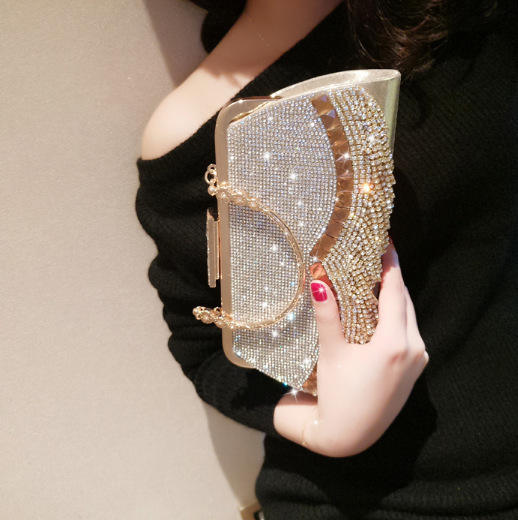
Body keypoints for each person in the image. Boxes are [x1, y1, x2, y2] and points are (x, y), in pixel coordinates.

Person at [135, 0, 518, 518]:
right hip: (373, 498)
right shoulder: (202, 128)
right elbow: (201, 343)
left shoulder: (473, 23)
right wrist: (326, 429)